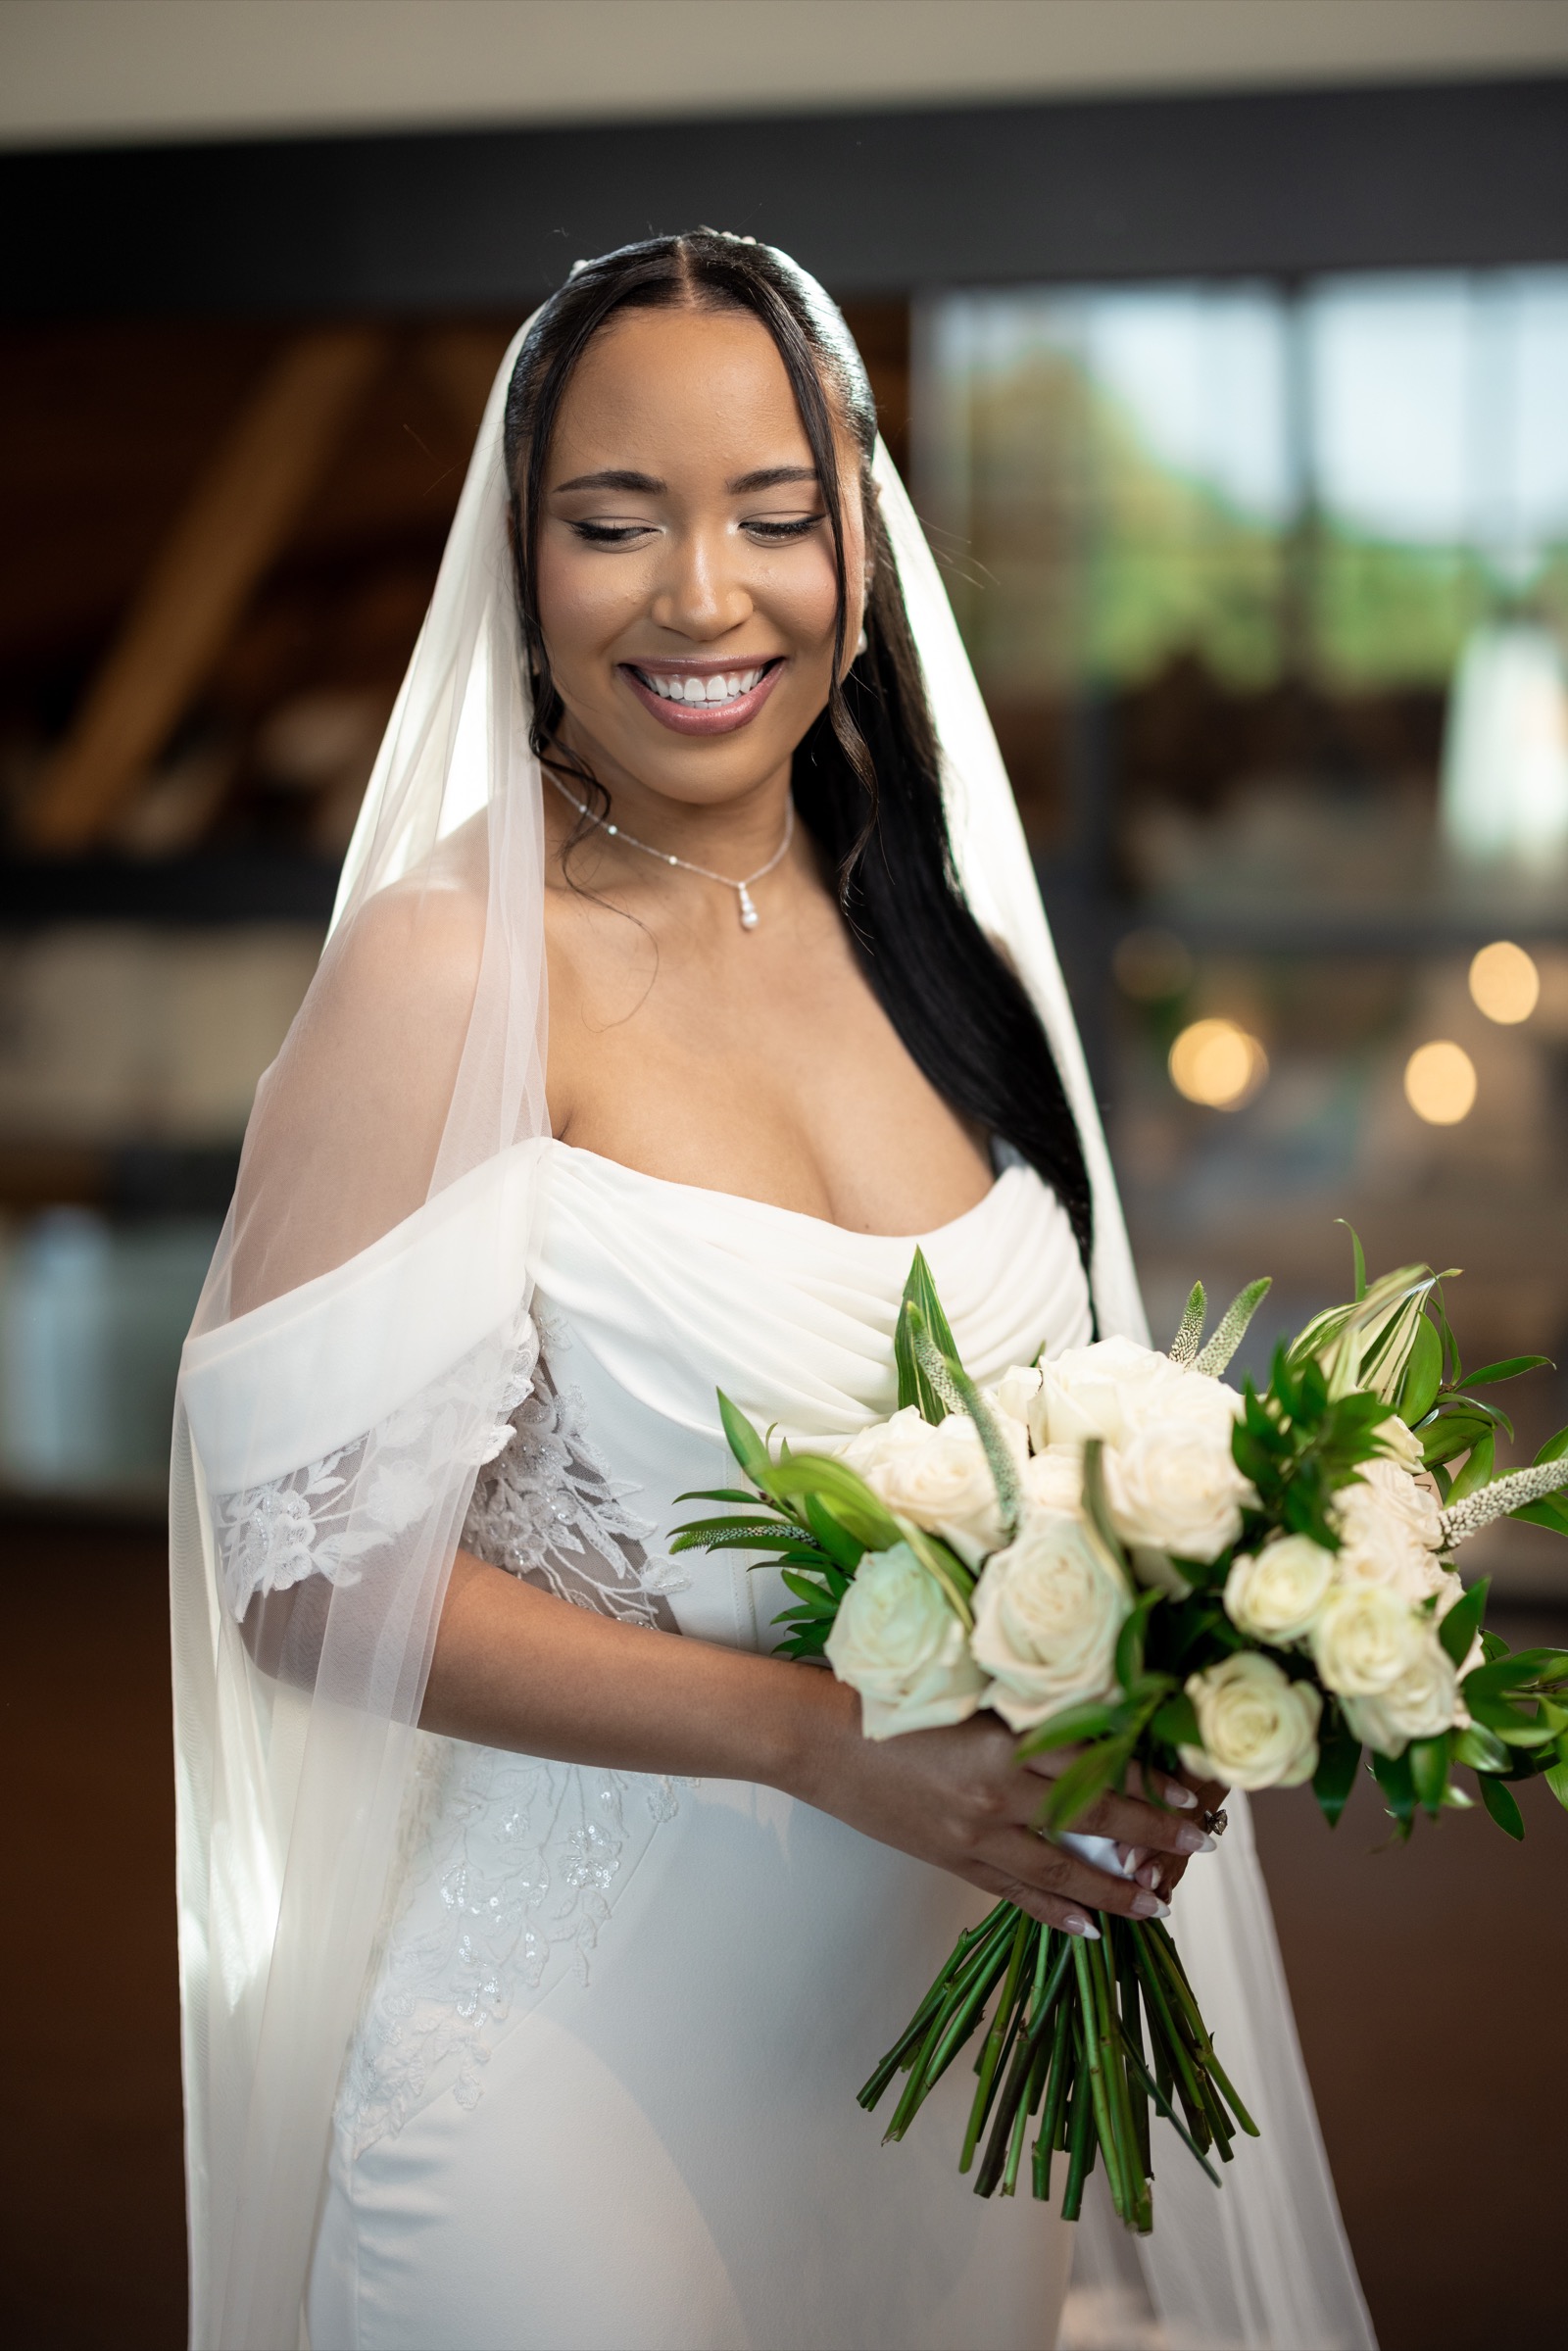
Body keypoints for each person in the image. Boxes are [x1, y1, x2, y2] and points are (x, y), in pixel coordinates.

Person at [172, 234, 1374, 2351]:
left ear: (863, 550)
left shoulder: (946, 959)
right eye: (612, 523)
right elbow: (301, 1575)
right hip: (578, 2084)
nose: (701, 597)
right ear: (520, 561)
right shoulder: (449, 973)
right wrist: (811, 1741)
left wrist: (1170, 1671)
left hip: (942, 2064)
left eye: (772, 518)